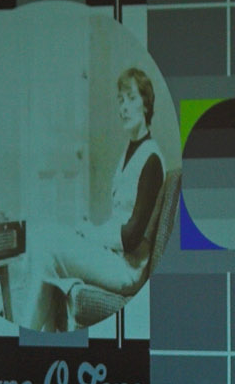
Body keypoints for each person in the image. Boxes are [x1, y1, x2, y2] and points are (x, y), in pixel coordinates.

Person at [30, 66, 166, 329]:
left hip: (127, 270)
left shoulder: (151, 158)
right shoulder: (128, 153)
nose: (123, 107)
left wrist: (91, 234)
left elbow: (131, 237)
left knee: (48, 246)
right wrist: (90, 232)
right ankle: (41, 332)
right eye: (120, 100)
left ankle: (32, 332)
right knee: (45, 237)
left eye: (131, 98)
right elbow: (118, 222)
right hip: (112, 256)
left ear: (146, 105)